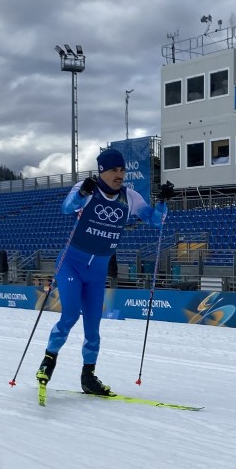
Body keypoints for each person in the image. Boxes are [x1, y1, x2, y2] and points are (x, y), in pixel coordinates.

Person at [36, 148, 175, 395]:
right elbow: (67, 208)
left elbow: (157, 221)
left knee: (93, 326)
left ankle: (88, 376)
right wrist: (81, 194)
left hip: (97, 271)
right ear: (102, 171)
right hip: (71, 263)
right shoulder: (87, 188)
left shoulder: (130, 197)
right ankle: (49, 360)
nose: (119, 174)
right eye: (114, 170)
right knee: (70, 314)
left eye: (122, 170)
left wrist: (163, 202)